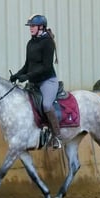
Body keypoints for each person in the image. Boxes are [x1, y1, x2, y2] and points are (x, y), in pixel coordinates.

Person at [10, 14, 62, 149]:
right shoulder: (31, 43)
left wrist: (27, 76)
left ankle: (57, 136)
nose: (30, 28)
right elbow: (27, 65)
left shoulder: (47, 42)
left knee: (45, 105)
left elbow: (46, 67)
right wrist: (17, 75)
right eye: (30, 26)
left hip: (47, 81)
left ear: (41, 27)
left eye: (32, 26)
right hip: (34, 82)